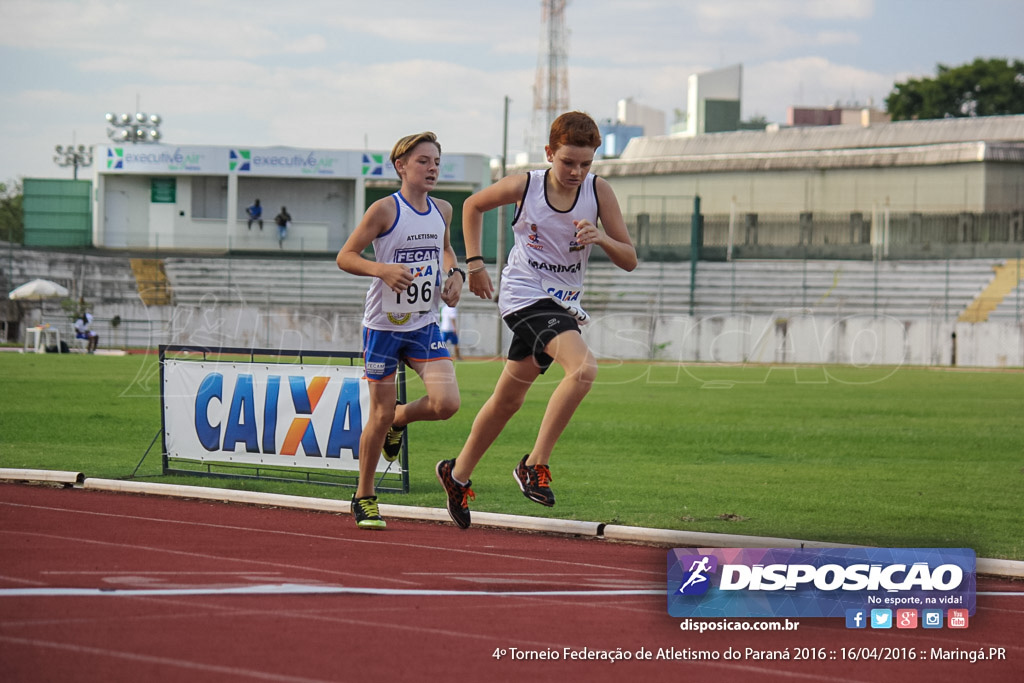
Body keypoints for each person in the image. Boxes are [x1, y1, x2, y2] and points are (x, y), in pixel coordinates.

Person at [436, 111, 637, 529]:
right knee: (583, 370)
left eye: (585, 164)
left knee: (508, 398)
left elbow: (630, 259)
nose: (576, 172)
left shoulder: (599, 192)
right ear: (549, 153)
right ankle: (533, 464)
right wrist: (475, 265)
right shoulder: (525, 185)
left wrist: (601, 238)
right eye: (567, 162)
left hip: (562, 305)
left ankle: (456, 475)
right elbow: (472, 206)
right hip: (524, 296)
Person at [336, 131, 465, 529]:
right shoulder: (384, 210)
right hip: (383, 326)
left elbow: (445, 248)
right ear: (401, 166)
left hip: (423, 323)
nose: (432, 169)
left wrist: (455, 273)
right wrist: (382, 270)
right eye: (423, 161)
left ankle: (400, 420)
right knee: (377, 413)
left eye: (436, 162)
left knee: (447, 404)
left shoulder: (443, 209)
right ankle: (364, 496)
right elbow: (346, 256)